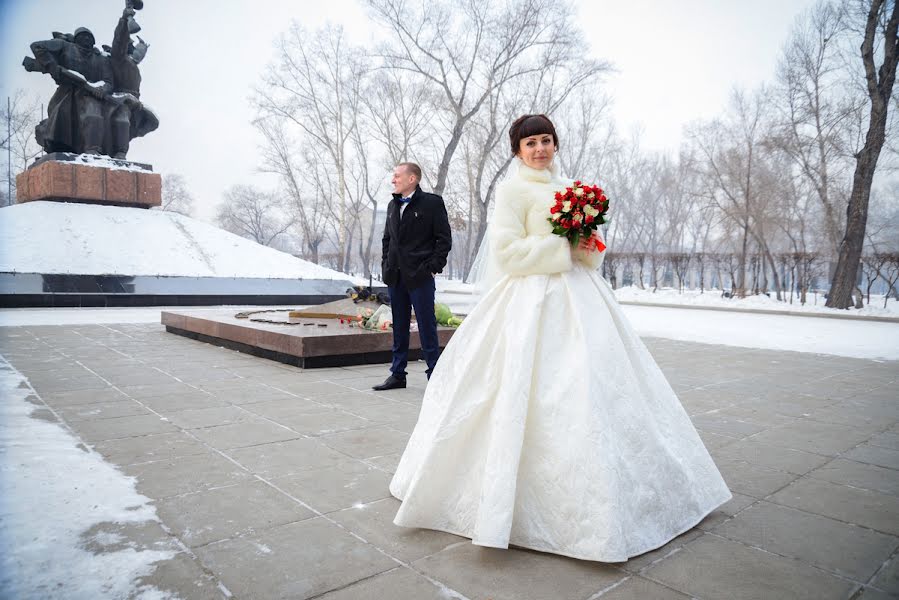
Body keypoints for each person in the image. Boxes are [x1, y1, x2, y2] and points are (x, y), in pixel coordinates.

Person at [389, 115, 731, 562]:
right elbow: (507, 253)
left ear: (555, 144)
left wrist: (586, 244)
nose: (539, 149)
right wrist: (561, 248)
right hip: (528, 301)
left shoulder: (573, 189)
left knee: (597, 387)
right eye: (530, 143)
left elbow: (590, 250)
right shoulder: (511, 192)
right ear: (517, 150)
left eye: (546, 140)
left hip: (582, 298)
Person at [373, 163, 452, 391]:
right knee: (399, 326)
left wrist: (432, 267)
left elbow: (443, 239)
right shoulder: (391, 205)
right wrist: (386, 265)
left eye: (397, 176)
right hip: (395, 277)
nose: (393, 180)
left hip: (420, 277)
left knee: (427, 325)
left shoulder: (432, 203)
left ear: (412, 179)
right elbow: (387, 239)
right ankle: (397, 374)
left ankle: (434, 375)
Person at [29, 27, 113, 155]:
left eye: (89, 36)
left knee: (93, 115)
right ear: (75, 38)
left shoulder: (101, 59)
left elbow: (109, 82)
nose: (86, 38)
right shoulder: (65, 46)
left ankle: (93, 150)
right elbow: (37, 46)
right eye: (82, 35)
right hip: (66, 94)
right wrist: (54, 68)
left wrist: (101, 90)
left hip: (91, 96)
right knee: (61, 123)